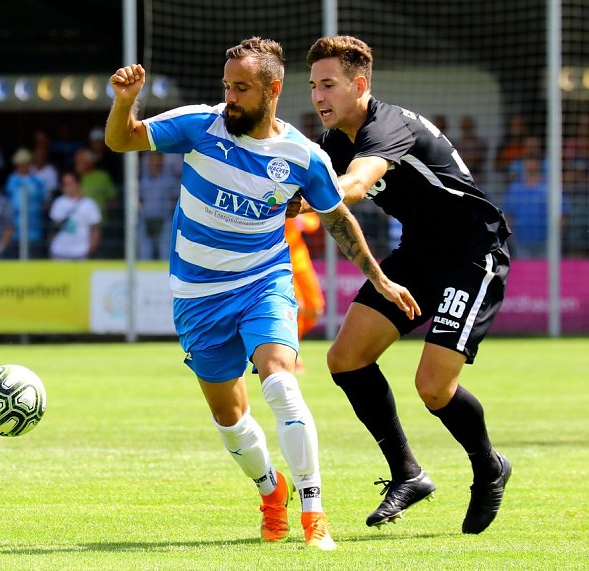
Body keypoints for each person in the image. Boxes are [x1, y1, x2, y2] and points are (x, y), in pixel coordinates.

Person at [105, 36, 419, 550]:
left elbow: (338, 218)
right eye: (227, 86)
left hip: (262, 283)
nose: (229, 97)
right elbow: (122, 141)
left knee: (281, 383)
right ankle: (271, 489)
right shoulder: (200, 125)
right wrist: (125, 103)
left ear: (272, 90)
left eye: (242, 88)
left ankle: (314, 514)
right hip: (197, 295)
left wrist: (379, 278)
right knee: (230, 420)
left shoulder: (303, 156)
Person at [307, 35, 512, 535]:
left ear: (359, 85)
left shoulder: (387, 126)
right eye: (313, 86)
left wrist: (307, 197)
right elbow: (321, 197)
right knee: (346, 359)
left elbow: (355, 186)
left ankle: (489, 466)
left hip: (473, 253)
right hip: (420, 253)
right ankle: (408, 474)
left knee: (433, 388)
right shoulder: (334, 142)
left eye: (328, 85)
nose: (318, 96)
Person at [284, 212, 325, 372]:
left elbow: (313, 222)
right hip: (280, 261)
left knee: (315, 308)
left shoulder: (298, 199)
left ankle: (285, 342)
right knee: (296, 307)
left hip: (300, 260)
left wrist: (302, 221)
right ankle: (292, 354)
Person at [4, 148, 47, 259]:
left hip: (34, 229)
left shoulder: (38, 180)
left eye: (23, 163)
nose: (21, 166)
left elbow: (44, 200)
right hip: (15, 230)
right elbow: (8, 201)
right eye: (19, 164)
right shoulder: (12, 180)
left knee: (33, 258)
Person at [48, 171, 101, 260]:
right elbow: (53, 227)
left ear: (78, 184)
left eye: (70, 183)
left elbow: (95, 229)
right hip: (59, 251)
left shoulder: (90, 204)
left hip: (81, 252)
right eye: (65, 184)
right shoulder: (58, 203)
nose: (67, 187)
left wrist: (91, 249)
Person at [137, 151, 179, 260]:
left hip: (164, 218)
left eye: (157, 159)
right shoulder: (142, 179)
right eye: (152, 159)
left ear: (162, 161)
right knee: (145, 253)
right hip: (146, 218)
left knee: (165, 252)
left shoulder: (170, 179)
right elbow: (138, 197)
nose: (155, 162)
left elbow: (176, 197)